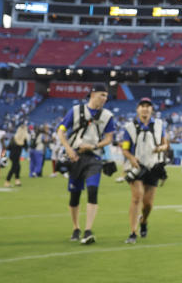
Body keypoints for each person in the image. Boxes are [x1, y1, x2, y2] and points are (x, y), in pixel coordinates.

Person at [57, 83, 116, 245]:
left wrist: (94, 146)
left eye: (106, 96)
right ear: (92, 94)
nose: (104, 98)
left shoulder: (107, 116)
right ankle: (76, 228)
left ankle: (88, 230)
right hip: (75, 156)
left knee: (92, 190)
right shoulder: (75, 111)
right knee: (74, 195)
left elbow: (109, 138)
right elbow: (60, 130)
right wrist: (68, 149)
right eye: (101, 95)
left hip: (94, 158)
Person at [120, 97, 170, 244]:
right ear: (138, 109)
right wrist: (131, 158)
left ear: (151, 110)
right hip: (137, 166)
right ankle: (133, 232)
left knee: (148, 204)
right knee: (137, 197)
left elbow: (165, 143)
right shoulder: (130, 127)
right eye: (142, 105)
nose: (145, 108)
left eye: (148, 106)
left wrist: (162, 147)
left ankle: (144, 221)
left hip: (153, 166)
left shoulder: (159, 125)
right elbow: (125, 149)